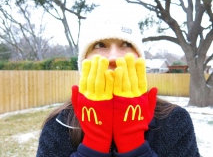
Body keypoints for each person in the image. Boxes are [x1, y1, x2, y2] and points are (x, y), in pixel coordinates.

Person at [36, 9, 200, 157]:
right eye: (100, 45)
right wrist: (94, 143)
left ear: (139, 58)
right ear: (84, 60)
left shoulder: (174, 120)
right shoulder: (59, 124)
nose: (114, 57)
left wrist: (132, 143)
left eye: (126, 44)